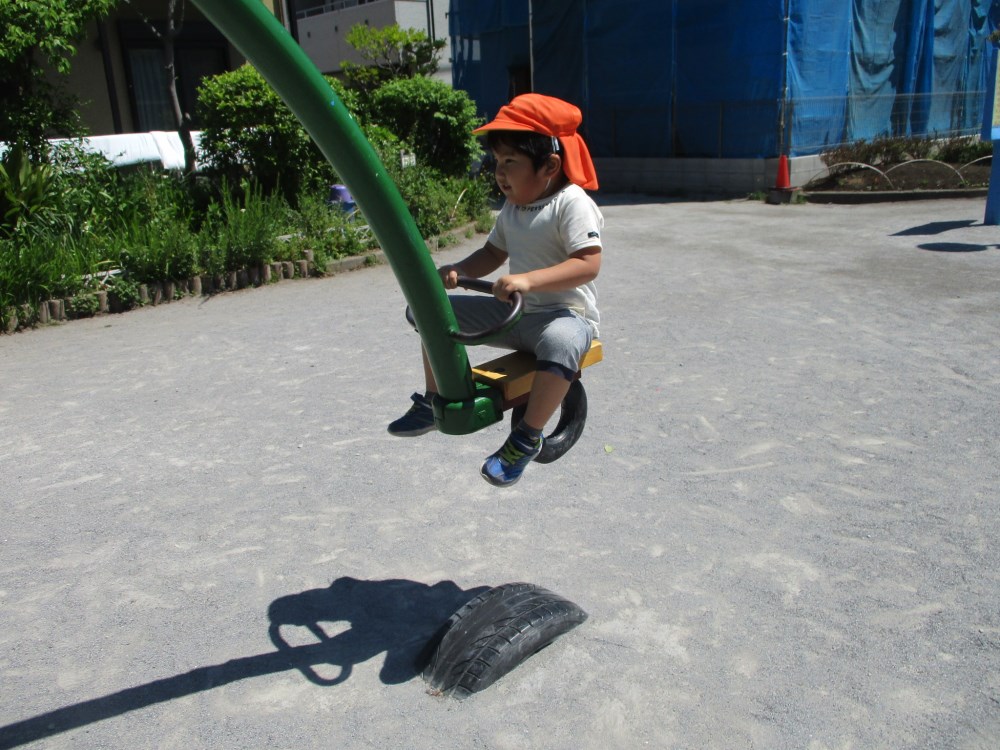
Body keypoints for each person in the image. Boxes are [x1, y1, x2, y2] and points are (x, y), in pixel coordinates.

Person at [388, 93, 604, 487]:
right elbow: (492, 252)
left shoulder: (571, 204)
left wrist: (527, 280)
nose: (499, 173)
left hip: (562, 317)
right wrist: (460, 270)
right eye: (497, 162)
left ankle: (525, 439)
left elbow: (588, 263)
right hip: (517, 317)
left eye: (510, 162)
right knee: (429, 311)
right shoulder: (514, 207)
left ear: (550, 166)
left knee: (563, 341)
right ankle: (434, 400)